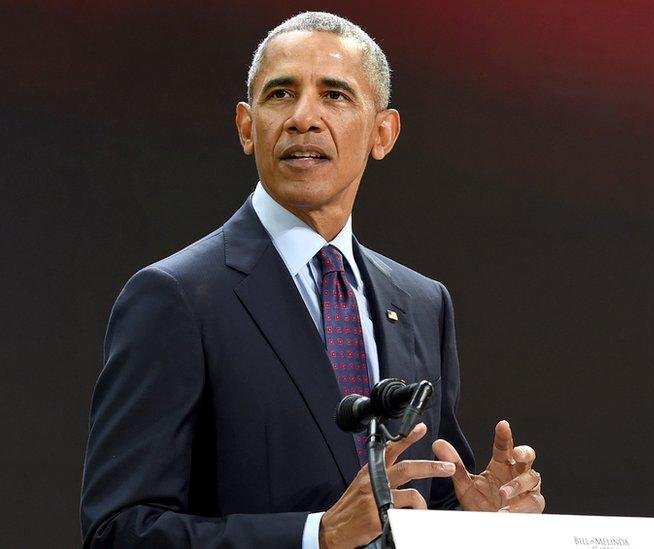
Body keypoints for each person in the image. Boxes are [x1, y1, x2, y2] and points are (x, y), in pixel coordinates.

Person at [80, 12, 544, 548]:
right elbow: (117, 533)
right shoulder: (176, 297)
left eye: (335, 95)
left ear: (383, 133)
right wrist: (313, 535)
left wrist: (474, 520)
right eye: (280, 94)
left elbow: (409, 507)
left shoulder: (422, 303)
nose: (303, 117)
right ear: (247, 127)